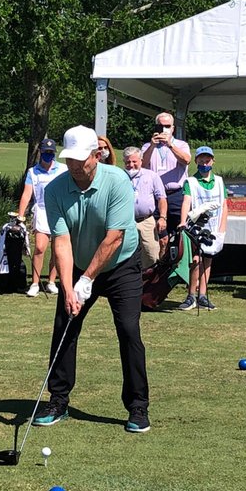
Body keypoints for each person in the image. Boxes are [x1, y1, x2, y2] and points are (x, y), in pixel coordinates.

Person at [31, 125, 152, 434]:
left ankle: (138, 407)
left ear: (97, 155)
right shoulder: (57, 188)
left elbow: (114, 238)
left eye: (80, 160)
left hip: (122, 263)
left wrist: (86, 280)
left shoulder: (118, 181)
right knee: (65, 325)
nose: (73, 166)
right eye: (69, 159)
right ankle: (58, 400)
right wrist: (69, 288)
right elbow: (61, 242)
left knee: (128, 328)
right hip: (80, 263)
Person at [15, 137, 67, 296]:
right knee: (39, 247)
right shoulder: (33, 171)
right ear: (41, 153)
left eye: (51, 153)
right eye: (46, 153)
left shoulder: (63, 169)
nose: (48, 155)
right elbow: (27, 194)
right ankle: (35, 283)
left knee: (57, 249)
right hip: (42, 211)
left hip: (60, 211)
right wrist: (20, 215)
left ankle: (51, 281)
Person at [178, 145, 227, 311]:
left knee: (208, 260)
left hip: (214, 227)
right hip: (196, 226)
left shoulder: (219, 181)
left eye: (207, 160)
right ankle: (191, 294)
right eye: (201, 160)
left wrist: (222, 228)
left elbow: (224, 205)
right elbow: (187, 201)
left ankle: (203, 296)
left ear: (213, 161)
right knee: (196, 260)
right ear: (197, 161)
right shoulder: (190, 182)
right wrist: (183, 221)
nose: (204, 163)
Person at [141, 111, 193, 232]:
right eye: (161, 126)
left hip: (177, 194)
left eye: (168, 126)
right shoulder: (147, 146)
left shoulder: (181, 144)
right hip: (156, 195)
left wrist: (170, 145)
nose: (164, 129)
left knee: (180, 230)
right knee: (157, 232)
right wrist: (152, 146)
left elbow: (186, 160)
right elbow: (141, 165)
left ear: (173, 128)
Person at [123, 146, 167, 271]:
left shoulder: (152, 176)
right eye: (127, 162)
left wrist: (163, 217)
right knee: (125, 256)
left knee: (151, 255)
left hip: (146, 221)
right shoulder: (119, 177)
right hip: (125, 222)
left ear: (141, 161)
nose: (131, 165)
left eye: (134, 161)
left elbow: (162, 199)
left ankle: (150, 285)